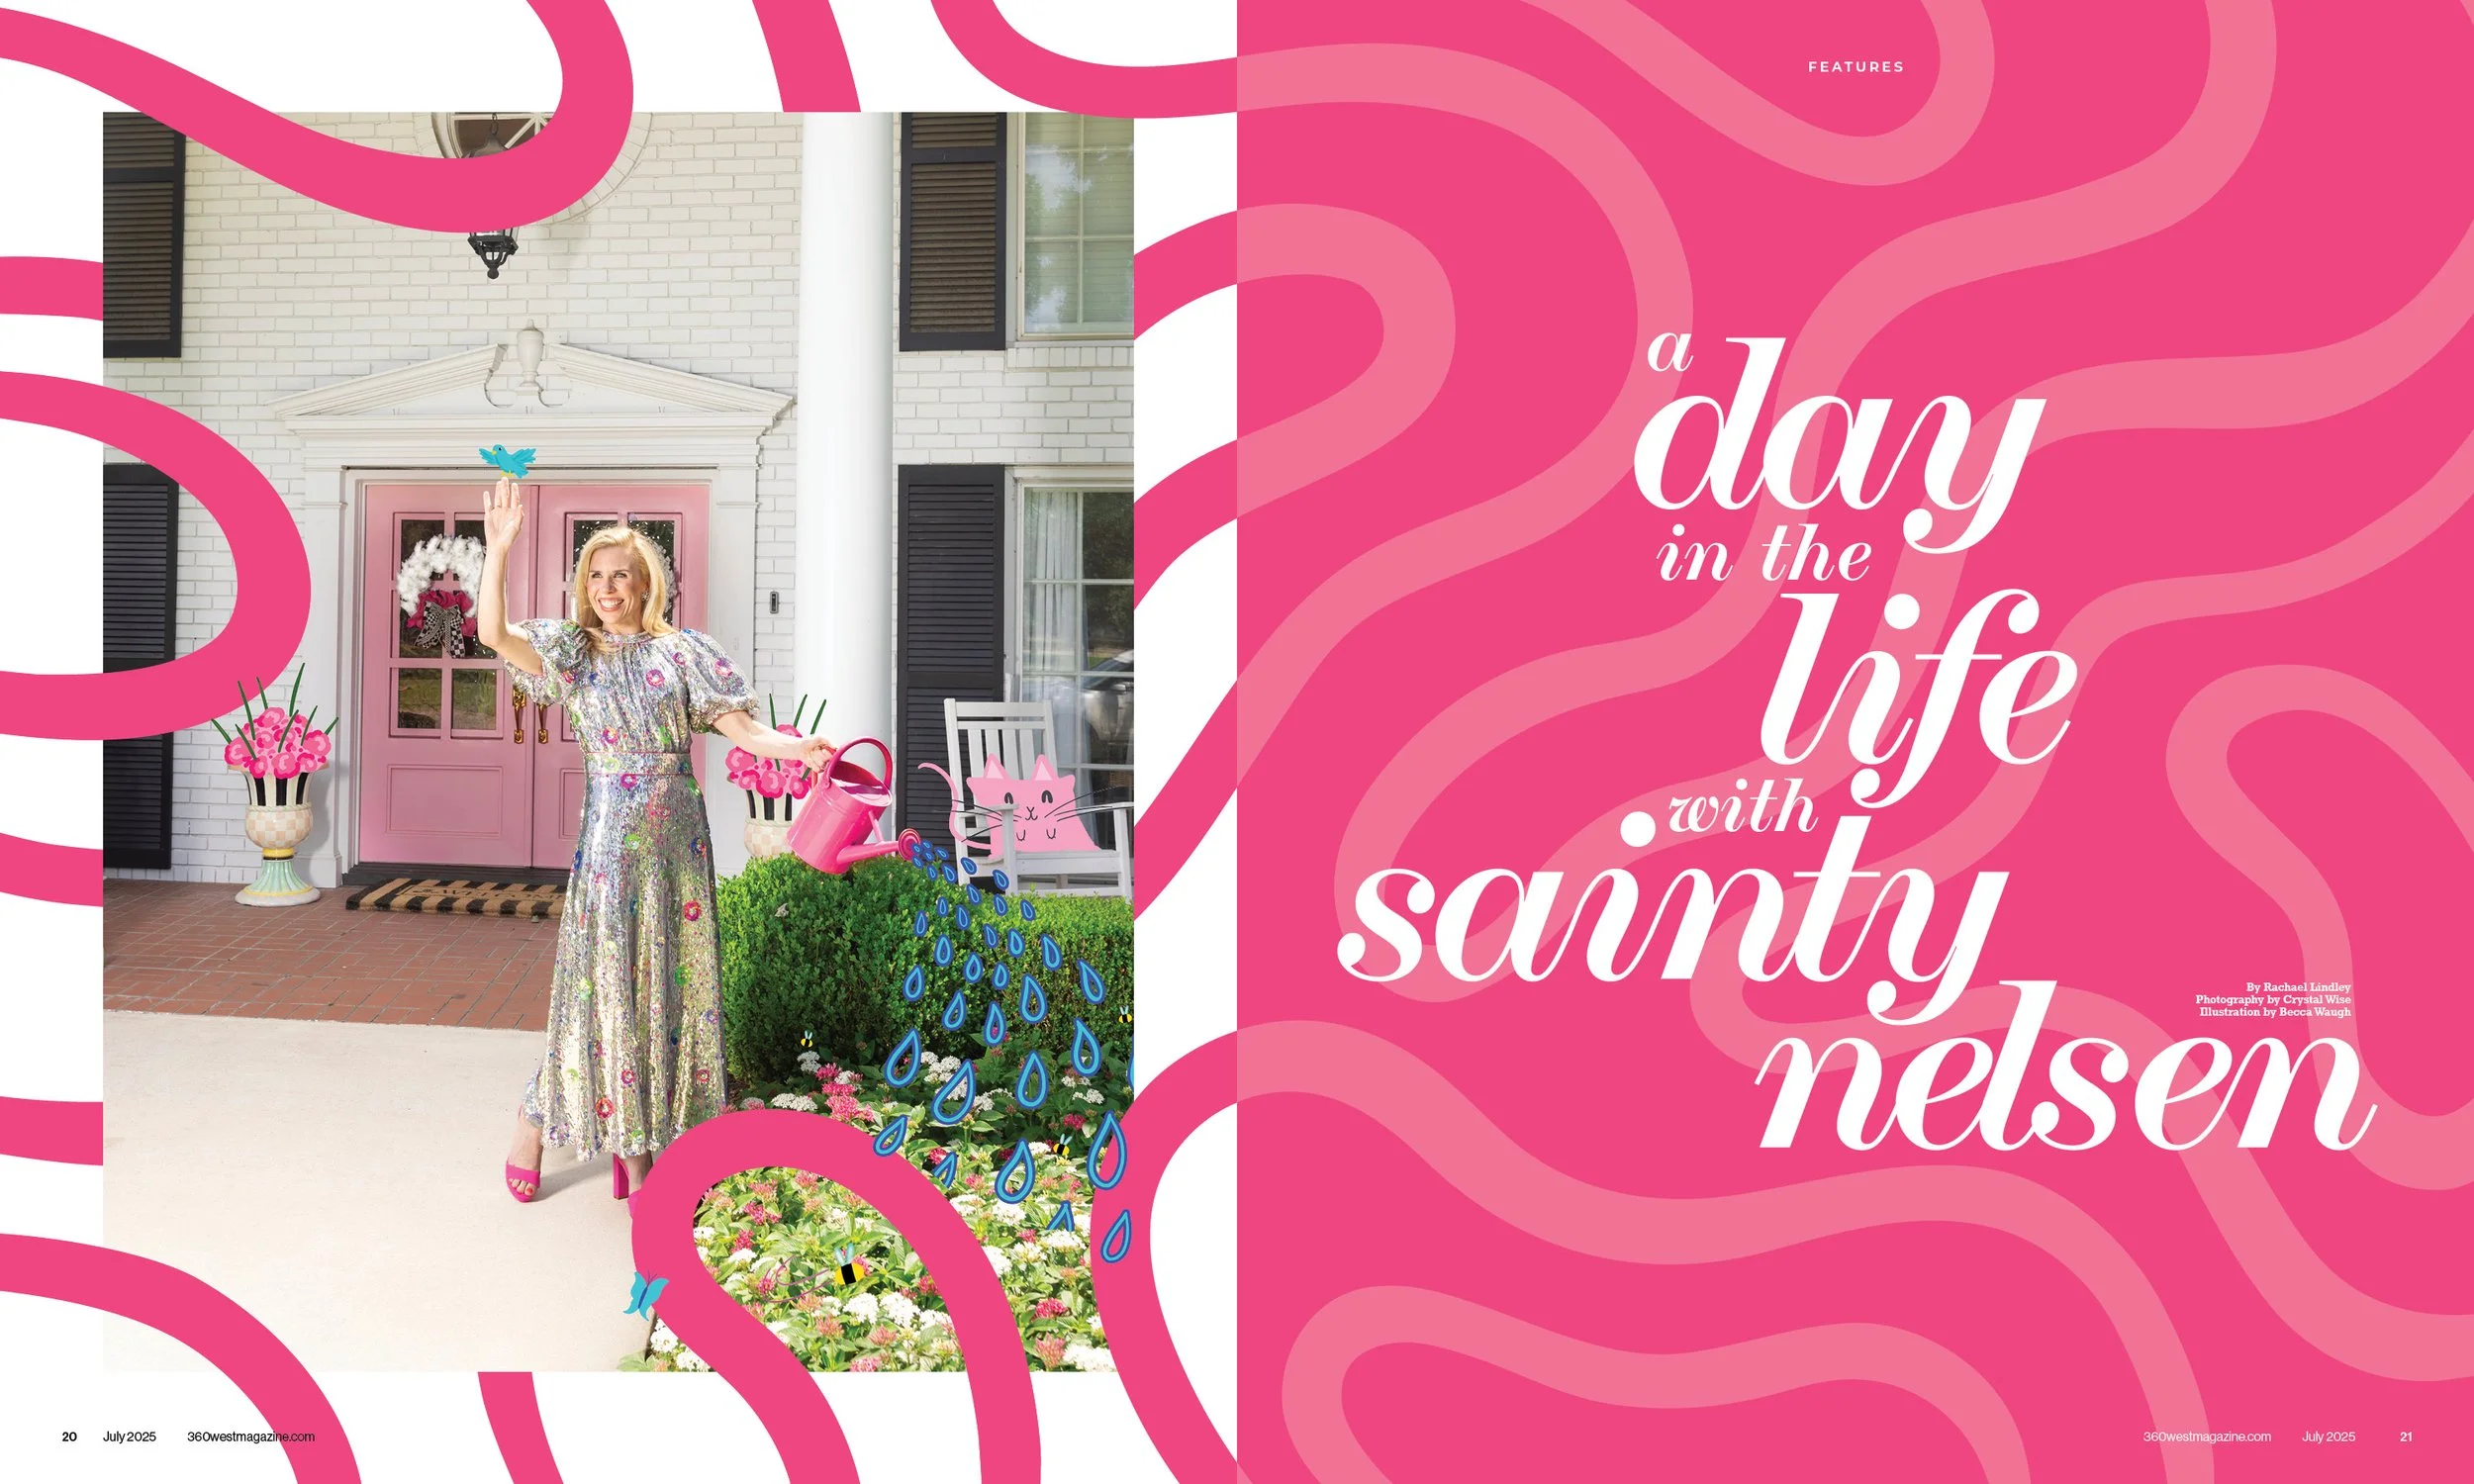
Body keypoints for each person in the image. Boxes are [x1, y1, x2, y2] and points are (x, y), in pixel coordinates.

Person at [473, 475, 833, 1202]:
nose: (609, 588)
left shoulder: (687, 652)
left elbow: (741, 728)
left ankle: (642, 1135)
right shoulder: (574, 650)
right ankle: (534, 1117)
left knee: (671, 985)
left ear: (647, 584)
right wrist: (499, 551)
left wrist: (796, 752)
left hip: (678, 840)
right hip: (610, 837)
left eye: (623, 576)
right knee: (601, 986)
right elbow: (493, 635)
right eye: (597, 576)